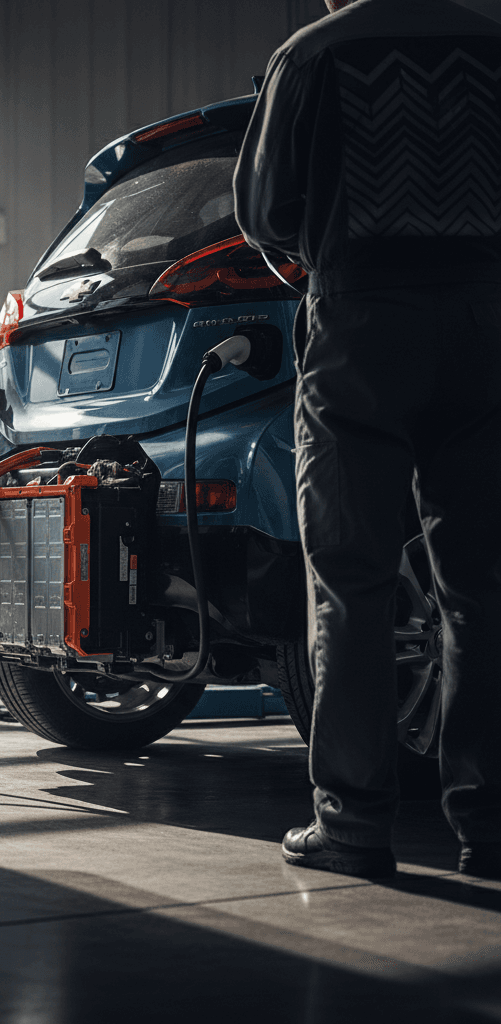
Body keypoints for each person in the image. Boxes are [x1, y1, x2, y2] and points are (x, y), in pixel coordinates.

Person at [233, 0, 501, 879]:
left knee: (352, 582)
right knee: (482, 588)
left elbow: (265, 213)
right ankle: (489, 825)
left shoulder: (313, 53)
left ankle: (352, 824)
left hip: (363, 327)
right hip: (487, 325)